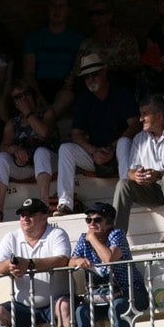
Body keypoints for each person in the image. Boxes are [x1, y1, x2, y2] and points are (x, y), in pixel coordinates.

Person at [0, 197, 73, 327]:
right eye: (22, 215)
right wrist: (9, 266)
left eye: (30, 214)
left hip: (55, 301)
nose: (25, 218)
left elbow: (62, 260)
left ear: (44, 217)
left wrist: (30, 264)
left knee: (65, 306)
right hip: (24, 306)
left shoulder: (56, 234)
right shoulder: (11, 237)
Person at [54, 54, 139, 216]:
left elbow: (135, 124)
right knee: (66, 148)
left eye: (95, 74)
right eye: (86, 77)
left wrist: (111, 147)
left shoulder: (121, 93)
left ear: (104, 72)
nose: (91, 79)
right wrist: (93, 150)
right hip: (97, 155)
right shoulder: (84, 99)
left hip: (121, 154)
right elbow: (76, 133)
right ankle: (65, 204)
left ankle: (127, 196)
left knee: (123, 142)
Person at [69, 201, 146, 327]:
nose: (91, 224)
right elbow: (70, 261)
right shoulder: (84, 238)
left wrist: (92, 238)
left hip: (131, 292)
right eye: (88, 220)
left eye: (97, 220)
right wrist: (78, 261)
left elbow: (109, 258)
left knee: (118, 307)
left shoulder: (117, 234)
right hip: (101, 296)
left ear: (108, 222)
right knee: (81, 312)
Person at [113, 95, 164, 238]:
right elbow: (131, 170)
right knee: (123, 184)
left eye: (144, 114)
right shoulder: (140, 138)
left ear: (159, 116)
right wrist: (136, 175)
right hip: (153, 191)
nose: (140, 119)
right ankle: (117, 236)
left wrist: (159, 174)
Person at [0, 80, 59, 223]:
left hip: (50, 163)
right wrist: (14, 149)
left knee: (41, 152)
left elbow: (44, 133)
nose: (23, 99)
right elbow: (3, 146)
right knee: (0, 158)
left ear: (33, 95)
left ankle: (44, 204)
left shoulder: (47, 113)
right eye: (18, 97)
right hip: (26, 166)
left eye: (26, 94)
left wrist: (28, 112)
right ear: (13, 102)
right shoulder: (13, 123)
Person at [22, 0, 83, 108]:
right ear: (48, 9)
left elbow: (79, 70)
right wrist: (38, 95)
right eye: (54, 5)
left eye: (62, 6)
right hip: (39, 85)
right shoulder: (34, 38)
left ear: (69, 11)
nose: (57, 10)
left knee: (67, 95)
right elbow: (28, 72)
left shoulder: (77, 39)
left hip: (64, 86)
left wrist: (72, 81)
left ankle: (48, 116)